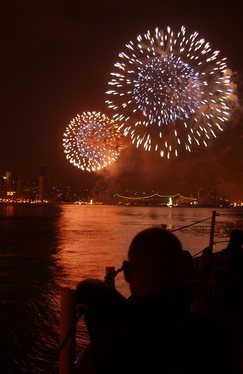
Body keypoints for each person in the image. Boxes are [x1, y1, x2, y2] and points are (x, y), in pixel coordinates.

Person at [75, 227, 240, 374]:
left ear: (126, 272)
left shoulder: (112, 343)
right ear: (183, 270)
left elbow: (89, 288)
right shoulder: (215, 337)